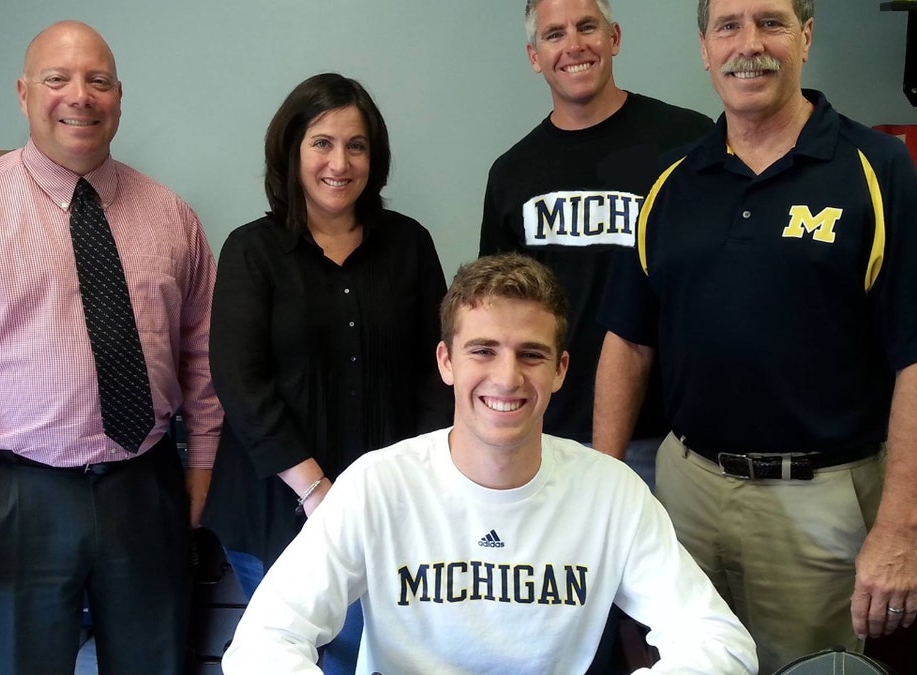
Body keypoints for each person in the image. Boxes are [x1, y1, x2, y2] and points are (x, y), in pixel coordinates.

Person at [593, 0, 917, 671]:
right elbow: (628, 342)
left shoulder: (876, 171)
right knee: (682, 660)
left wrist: (900, 530)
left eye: (771, 22)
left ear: (806, 37)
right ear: (705, 49)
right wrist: (603, 483)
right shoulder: (672, 181)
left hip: (819, 500)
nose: (750, 44)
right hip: (687, 489)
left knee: (804, 665)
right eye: (728, 26)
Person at [0, 20, 222, 675]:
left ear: (119, 97)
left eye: (98, 80)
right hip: (15, 497)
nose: (79, 96)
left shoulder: (172, 216)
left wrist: (202, 459)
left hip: (144, 487)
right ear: (23, 93)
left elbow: (202, 354)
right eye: (57, 79)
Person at [221, 253, 758, 675]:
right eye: (482, 351)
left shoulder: (611, 493)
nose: (507, 378)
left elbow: (720, 643)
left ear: (561, 369)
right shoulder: (378, 483)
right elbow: (264, 639)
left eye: (531, 354)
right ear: (446, 361)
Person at [200, 72, 451, 673]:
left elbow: (437, 373)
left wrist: (413, 488)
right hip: (275, 512)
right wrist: (316, 490)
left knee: (379, 659)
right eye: (322, 143)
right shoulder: (251, 251)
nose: (340, 162)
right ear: (291, 150)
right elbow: (240, 382)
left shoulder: (409, 245)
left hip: (388, 515)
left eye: (356, 145)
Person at [479, 0, 712, 486]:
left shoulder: (687, 142)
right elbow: (499, 312)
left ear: (615, 38)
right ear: (533, 56)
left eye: (588, 27)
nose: (574, 45)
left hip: (671, 440)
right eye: (554, 34)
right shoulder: (512, 173)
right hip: (549, 434)